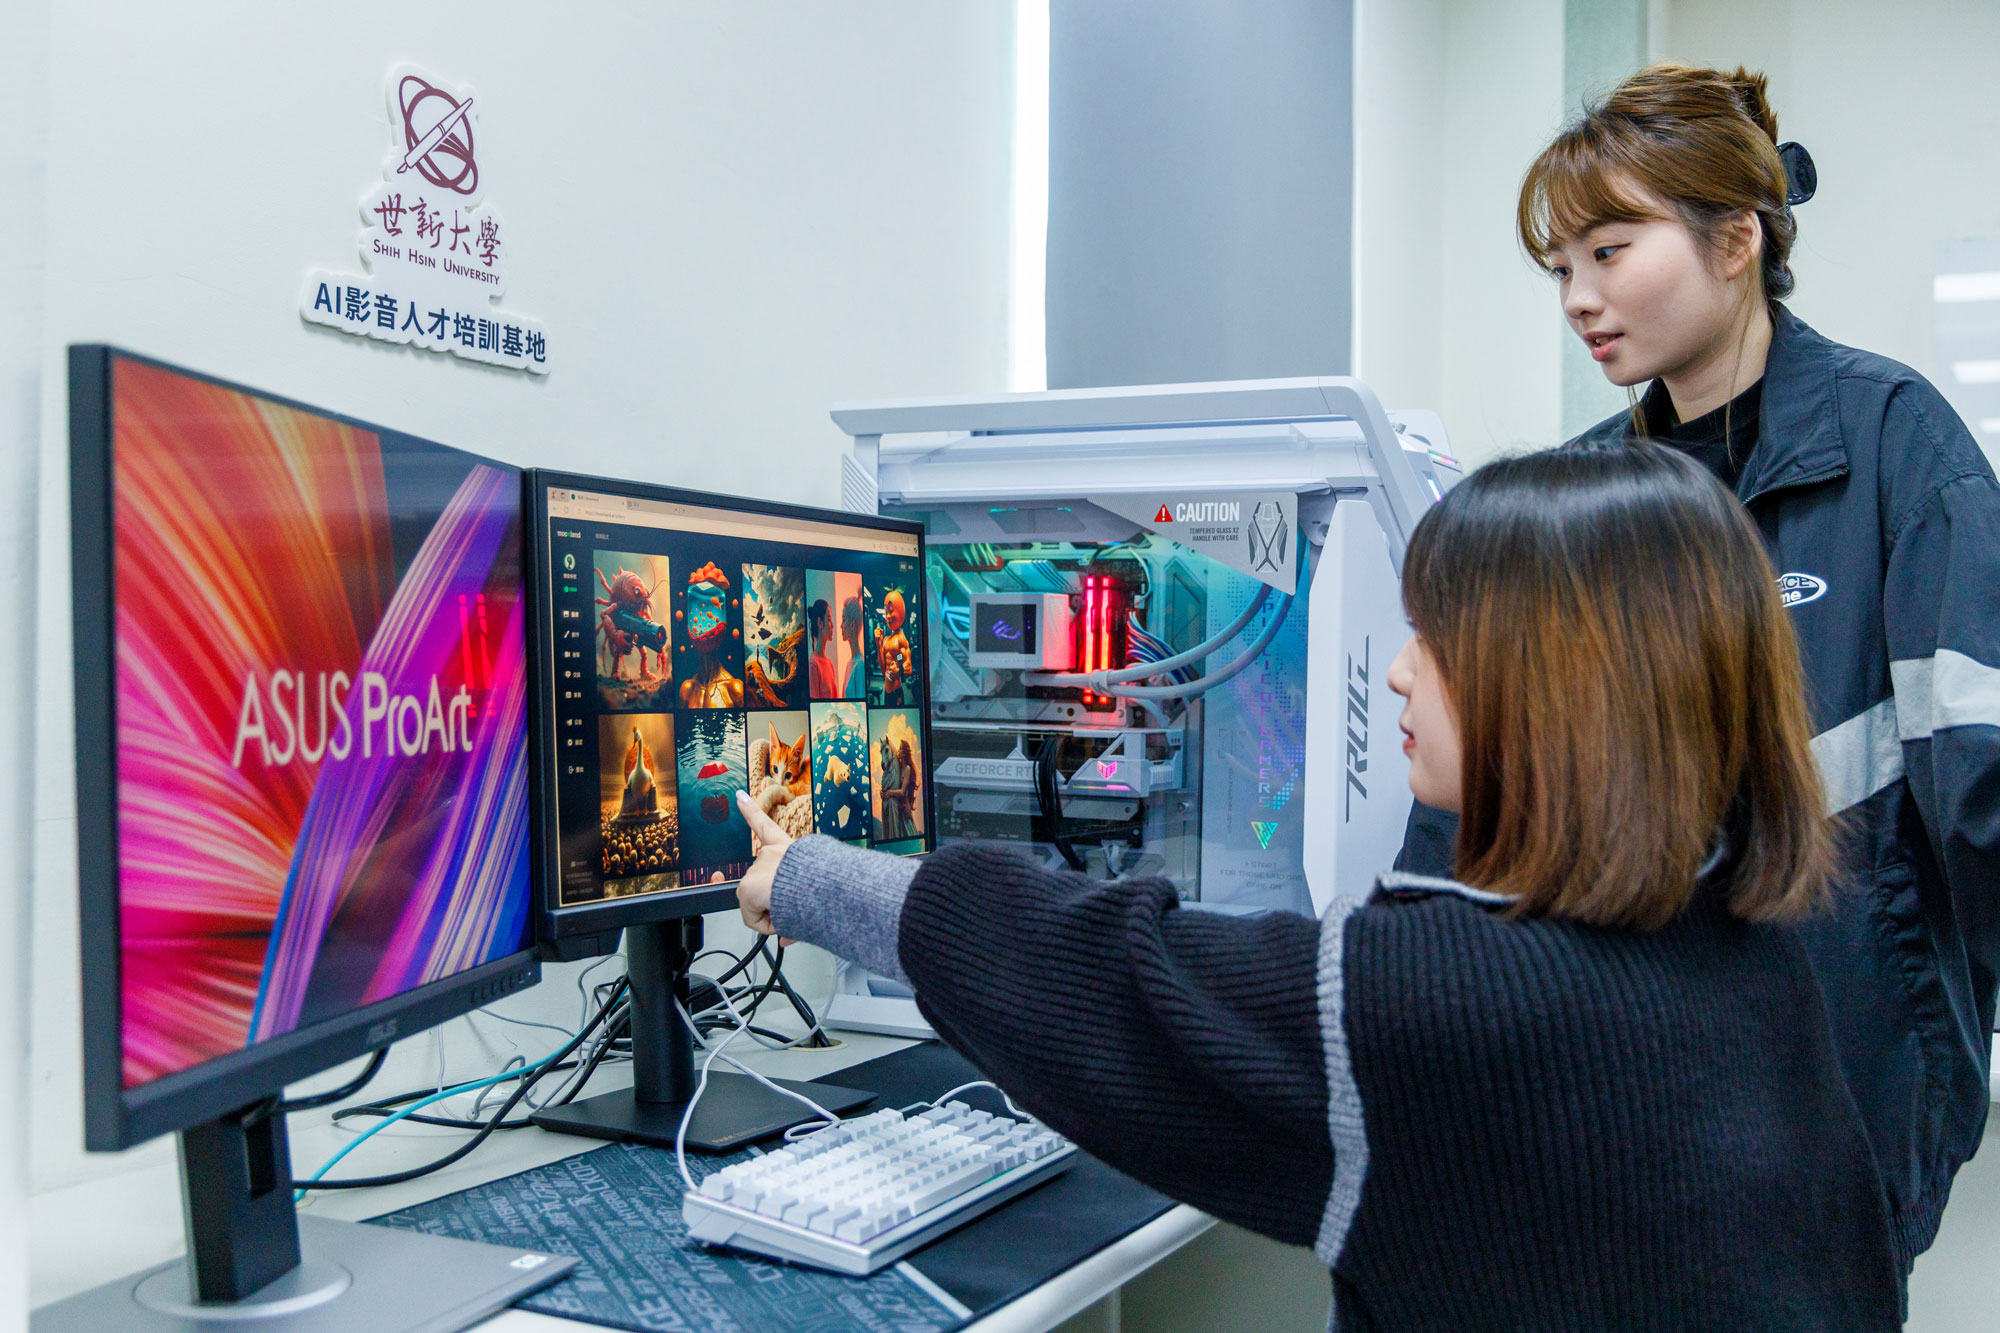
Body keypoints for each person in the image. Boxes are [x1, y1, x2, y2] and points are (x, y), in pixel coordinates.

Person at [733, 445, 1901, 1330]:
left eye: (1433, 635)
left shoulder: (1452, 998)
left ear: (1558, 686)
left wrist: (807, 876)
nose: (1395, 670)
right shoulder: (1747, 956)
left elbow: (1102, 982)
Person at [1398, 63, 2000, 1273]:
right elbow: (1486, 785)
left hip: (1843, 1079)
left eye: (1608, 251)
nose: (1577, 297)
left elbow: (1978, 784)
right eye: (1559, 268)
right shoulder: (1583, 496)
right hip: (1624, 1072)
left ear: (1735, 241)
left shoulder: (1893, 445)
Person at [807, 598, 836, 698]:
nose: (832, 626)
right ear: (820, 623)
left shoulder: (829, 664)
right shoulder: (813, 664)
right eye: (829, 620)